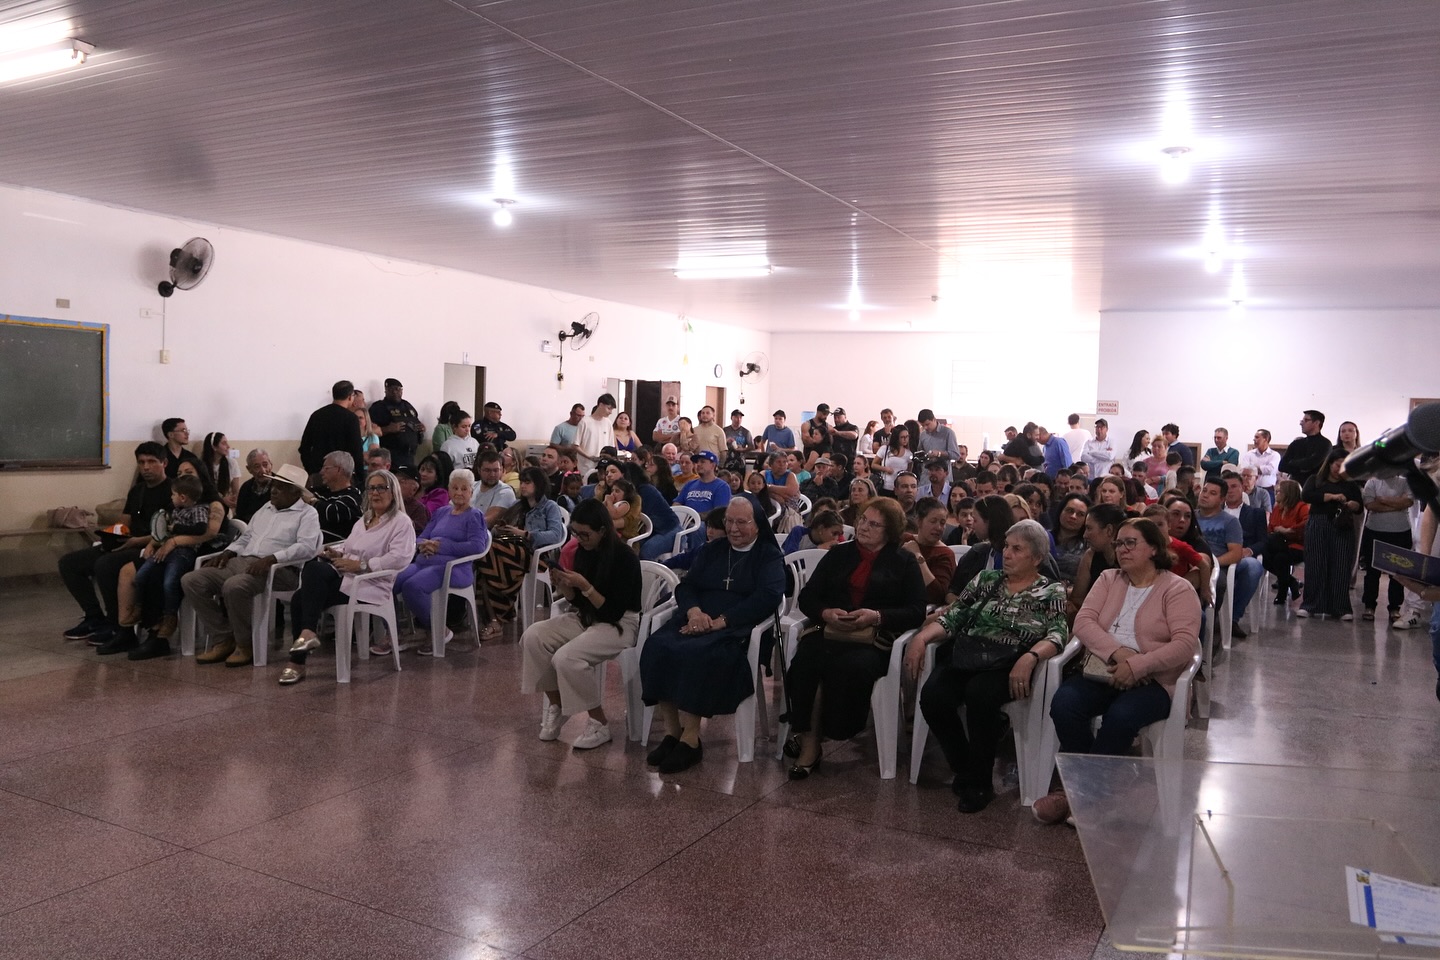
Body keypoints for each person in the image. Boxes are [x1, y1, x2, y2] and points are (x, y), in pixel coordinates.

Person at [1035, 518, 1202, 824]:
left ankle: (1076, 794)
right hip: (1103, 667)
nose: (1122, 549)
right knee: (1064, 704)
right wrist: (1118, 653)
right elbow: (1084, 622)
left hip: (1153, 680)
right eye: (1118, 543)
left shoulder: (1177, 589)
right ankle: (1090, 793)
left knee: (1122, 717)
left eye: (1131, 542)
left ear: (1153, 548)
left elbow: (1184, 645)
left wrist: (1138, 665)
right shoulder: (1109, 579)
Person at [908, 519, 1067, 813]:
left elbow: (1058, 634)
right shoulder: (985, 580)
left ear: (1036, 558)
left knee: (980, 695)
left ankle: (980, 784)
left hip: (1010, 661)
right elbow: (953, 616)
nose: (1007, 553)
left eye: (1017, 549)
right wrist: (921, 638)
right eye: (1006, 546)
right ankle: (966, 768)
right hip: (970, 652)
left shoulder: (1051, 591)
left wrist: (1031, 656)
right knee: (934, 698)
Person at [639, 496, 786, 773]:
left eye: (741, 522)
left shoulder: (768, 555)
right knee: (657, 646)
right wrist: (694, 612)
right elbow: (687, 585)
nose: (733, 528)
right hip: (697, 619)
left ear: (757, 525)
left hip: (738, 625)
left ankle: (691, 739)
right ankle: (673, 733)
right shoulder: (713, 549)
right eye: (729, 521)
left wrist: (722, 621)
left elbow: (768, 596)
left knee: (698, 654)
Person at [781, 498, 926, 778]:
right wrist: (826, 612)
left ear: (890, 530)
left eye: (874, 524)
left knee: (850, 667)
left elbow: (917, 610)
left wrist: (876, 615)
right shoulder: (839, 554)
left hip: (873, 638)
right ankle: (810, 745)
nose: (864, 527)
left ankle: (828, 731)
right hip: (830, 630)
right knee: (806, 663)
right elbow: (809, 597)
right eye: (863, 520)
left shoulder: (903, 561)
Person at [519, 498, 643, 749]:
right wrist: (565, 585)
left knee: (567, 657)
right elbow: (580, 604)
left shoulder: (624, 557)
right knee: (533, 637)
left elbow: (612, 611)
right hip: (588, 617)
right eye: (575, 532)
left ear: (602, 531)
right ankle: (557, 704)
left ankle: (599, 723)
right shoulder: (583, 552)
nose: (580, 539)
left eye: (585, 534)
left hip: (620, 623)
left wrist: (584, 585)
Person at [278, 470, 417, 683]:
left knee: (302, 596)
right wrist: (338, 552)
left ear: (393, 491)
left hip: (371, 584)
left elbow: (400, 558)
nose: (376, 493)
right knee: (308, 580)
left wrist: (361, 565)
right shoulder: (366, 519)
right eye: (371, 488)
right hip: (348, 578)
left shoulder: (401, 522)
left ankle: (298, 659)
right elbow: (352, 545)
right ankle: (306, 639)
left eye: (381, 488)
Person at [181, 464, 322, 667]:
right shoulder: (266, 508)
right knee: (192, 580)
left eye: (280, 487)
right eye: (273, 484)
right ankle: (223, 638)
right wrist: (229, 551)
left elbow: (307, 547)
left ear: (295, 492)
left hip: (281, 570)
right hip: (244, 561)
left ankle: (245, 644)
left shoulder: (307, 514)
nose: (273, 490)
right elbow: (246, 537)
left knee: (234, 586)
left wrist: (273, 558)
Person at [59, 443, 172, 651]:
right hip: (128, 543)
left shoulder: (172, 492)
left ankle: (117, 625)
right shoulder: (137, 491)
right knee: (70, 562)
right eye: (141, 462)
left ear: (164, 463)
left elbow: (168, 532)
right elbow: (124, 523)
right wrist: (111, 536)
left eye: (151, 462)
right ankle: (94, 617)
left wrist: (136, 541)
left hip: (150, 547)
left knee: (105, 565)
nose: (145, 467)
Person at [114, 470, 226, 657]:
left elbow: (203, 530)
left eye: (187, 472)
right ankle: (138, 612)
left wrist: (174, 532)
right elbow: (162, 532)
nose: (170, 496)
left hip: (187, 554)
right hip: (167, 550)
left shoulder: (205, 508)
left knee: (167, 581)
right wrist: (154, 541)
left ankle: (167, 620)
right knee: (141, 575)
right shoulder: (175, 510)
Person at [395, 468, 490, 650]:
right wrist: (425, 544)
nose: (459, 493)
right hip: (425, 562)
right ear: (449, 490)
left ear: (471, 491)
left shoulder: (474, 516)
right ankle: (395, 634)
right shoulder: (441, 512)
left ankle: (439, 630)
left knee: (413, 586)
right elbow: (421, 536)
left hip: (454, 568)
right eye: (455, 488)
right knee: (392, 581)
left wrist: (441, 546)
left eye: (464, 489)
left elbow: (477, 547)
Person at [478, 466, 567, 640]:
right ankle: (495, 619)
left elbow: (556, 534)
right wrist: (500, 529)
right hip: (509, 551)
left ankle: (499, 617)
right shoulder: (518, 506)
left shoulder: (550, 506)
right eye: (522, 482)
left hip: (534, 555)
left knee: (490, 556)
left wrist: (526, 534)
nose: (523, 486)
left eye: (527, 482)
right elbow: (501, 532)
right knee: (486, 559)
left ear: (539, 484)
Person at [1298, 449, 1363, 619]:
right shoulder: (1315, 480)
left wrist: (1352, 504)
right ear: (1329, 464)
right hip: (1318, 523)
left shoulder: (1350, 484)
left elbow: (1359, 506)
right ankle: (1310, 604)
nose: (1339, 469)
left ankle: (1341, 607)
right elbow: (1306, 495)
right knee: (1315, 563)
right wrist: (1332, 496)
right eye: (1337, 465)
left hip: (1341, 526)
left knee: (1341, 565)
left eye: (1343, 465)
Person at [1194, 476, 1258, 632]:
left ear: (1222, 499)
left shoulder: (1229, 522)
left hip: (1216, 565)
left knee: (1218, 582)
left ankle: (1206, 626)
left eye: (1212, 493)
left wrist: (1212, 564)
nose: (1205, 495)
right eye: (1204, 490)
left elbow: (1235, 554)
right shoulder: (1190, 516)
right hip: (1191, 561)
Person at [1360, 473, 1414, 622]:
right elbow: (1370, 505)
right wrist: (1397, 503)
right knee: (1372, 571)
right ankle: (1369, 606)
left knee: (1397, 572)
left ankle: (1395, 607)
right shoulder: (1372, 482)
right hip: (1374, 530)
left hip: (1401, 531)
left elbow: (1408, 502)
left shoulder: (1405, 482)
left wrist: (1383, 500)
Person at [1068, 503, 1128, 619]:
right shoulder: (1090, 556)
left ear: (1109, 530)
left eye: (1089, 528)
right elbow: (1077, 599)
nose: (1085, 535)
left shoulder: (1129, 559)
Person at [299, 381, 365, 481]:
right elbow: (356, 451)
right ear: (349, 397)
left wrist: (311, 470)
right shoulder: (351, 418)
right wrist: (360, 478)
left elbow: (304, 447)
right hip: (341, 476)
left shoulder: (317, 415)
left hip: (318, 474)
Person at [903, 497, 957, 605]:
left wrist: (917, 555)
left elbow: (937, 595)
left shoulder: (945, 554)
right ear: (919, 522)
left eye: (942, 523)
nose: (938, 527)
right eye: (933, 521)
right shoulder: (904, 540)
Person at [1264, 479, 1309, 605]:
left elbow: (1307, 524)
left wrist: (1288, 530)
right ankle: (1292, 582)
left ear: (1288, 493)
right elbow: (1271, 528)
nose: (1276, 494)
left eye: (1279, 492)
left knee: (1280, 558)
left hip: (1297, 545)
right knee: (1268, 556)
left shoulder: (1301, 507)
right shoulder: (1278, 508)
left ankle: (1282, 594)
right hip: (1279, 544)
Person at [306, 451, 364, 541]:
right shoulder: (320, 491)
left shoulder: (352, 496)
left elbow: (332, 513)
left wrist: (311, 501)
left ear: (339, 470)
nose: (321, 472)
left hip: (335, 547)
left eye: (326, 468)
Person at [368, 378, 425, 469]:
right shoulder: (378, 408)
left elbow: (416, 421)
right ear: (386, 390)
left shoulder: (407, 405)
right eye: (392, 389)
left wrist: (421, 428)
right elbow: (369, 431)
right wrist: (388, 429)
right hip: (391, 456)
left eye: (398, 389)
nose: (395, 392)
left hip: (410, 455)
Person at [1279, 410, 1333, 486]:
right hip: (1295, 487)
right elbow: (1282, 466)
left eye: (1306, 420)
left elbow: (1311, 464)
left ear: (1316, 423)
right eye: (1302, 420)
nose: (1301, 423)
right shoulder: (1297, 443)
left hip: (1314, 487)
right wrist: (1302, 467)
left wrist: (1292, 462)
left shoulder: (1325, 444)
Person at [574, 392, 618, 476]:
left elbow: (611, 446)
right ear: (601, 405)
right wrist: (589, 457)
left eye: (612, 409)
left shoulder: (608, 423)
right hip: (586, 467)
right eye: (609, 408)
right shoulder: (585, 422)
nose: (610, 412)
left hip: (603, 467)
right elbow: (576, 445)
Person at [1050, 493, 1090, 583]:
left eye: (1080, 514)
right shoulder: (1044, 538)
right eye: (1069, 510)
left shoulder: (1088, 548)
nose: (1073, 516)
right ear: (1061, 511)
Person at [472, 450, 518, 525]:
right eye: (487, 470)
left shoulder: (506, 491)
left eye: (496, 470)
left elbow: (487, 521)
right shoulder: (472, 486)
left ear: (502, 470)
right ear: (479, 470)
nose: (492, 474)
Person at [201, 431, 242, 510]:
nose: (228, 446)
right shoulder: (202, 465)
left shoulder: (231, 463)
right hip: (207, 504)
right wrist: (220, 499)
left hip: (226, 506)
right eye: (224, 443)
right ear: (214, 447)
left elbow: (236, 491)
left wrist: (233, 502)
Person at [234, 448, 274, 524]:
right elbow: (240, 515)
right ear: (249, 469)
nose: (263, 470)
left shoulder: (281, 487)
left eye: (265, 465)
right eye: (257, 466)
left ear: (271, 464)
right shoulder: (246, 487)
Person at [781, 508, 846, 554]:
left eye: (839, 534)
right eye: (834, 533)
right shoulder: (799, 532)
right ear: (821, 529)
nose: (836, 538)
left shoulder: (831, 546)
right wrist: (817, 550)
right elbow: (790, 559)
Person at [392, 465, 432, 533]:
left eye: (401, 481)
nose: (394, 484)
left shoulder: (418, 509)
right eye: (393, 480)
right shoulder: (385, 503)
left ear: (414, 489)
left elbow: (417, 532)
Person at [1242, 428, 1281, 496]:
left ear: (1265, 439)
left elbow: (1270, 470)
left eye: (1257, 437)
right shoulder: (1249, 454)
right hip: (1250, 490)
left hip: (1268, 490)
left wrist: (1253, 469)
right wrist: (1262, 469)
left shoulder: (1275, 455)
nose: (1254, 439)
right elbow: (1244, 470)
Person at [416, 451, 452, 517]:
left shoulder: (440, 494)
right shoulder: (412, 490)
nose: (423, 474)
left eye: (429, 471)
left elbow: (426, 513)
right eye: (422, 469)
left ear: (436, 477)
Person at [878, 426, 913, 491]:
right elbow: (874, 464)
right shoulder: (885, 449)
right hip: (886, 485)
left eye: (907, 437)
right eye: (902, 437)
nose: (905, 439)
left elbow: (909, 471)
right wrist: (885, 468)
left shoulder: (908, 454)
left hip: (900, 487)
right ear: (896, 438)